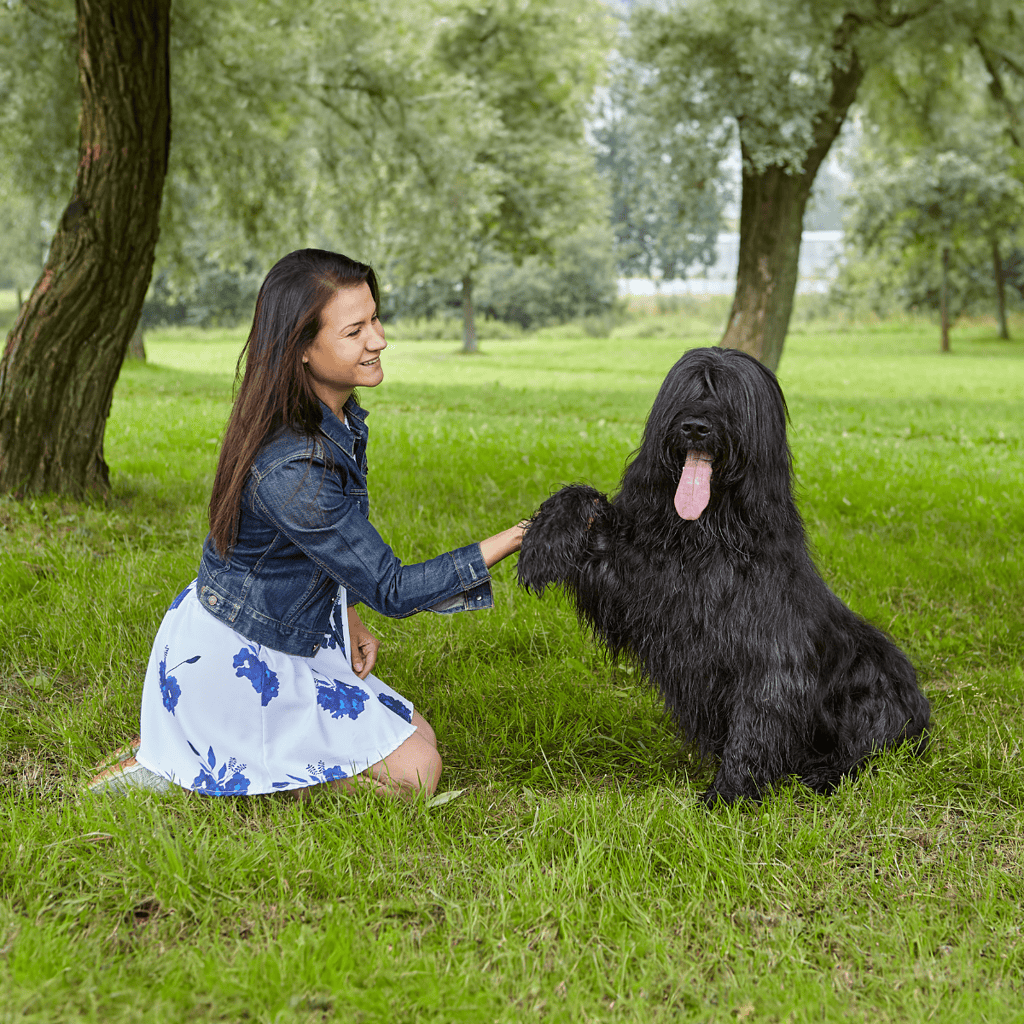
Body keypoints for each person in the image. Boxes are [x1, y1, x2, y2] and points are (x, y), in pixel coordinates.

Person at [88, 249, 525, 800]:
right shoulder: (293, 465)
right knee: (416, 776)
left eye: (375, 319)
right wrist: (517, 537)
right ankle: (204, 770)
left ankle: (202, 751)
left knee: (422, 737)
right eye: (355, 330)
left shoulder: (331, 419)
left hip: (284, 635)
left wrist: (345, 613)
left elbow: (320, 551)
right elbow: (392, 586)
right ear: (301, 349)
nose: (379, 340)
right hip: (240, 657)